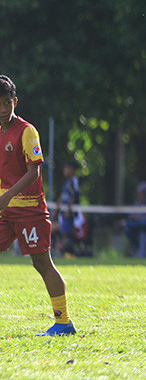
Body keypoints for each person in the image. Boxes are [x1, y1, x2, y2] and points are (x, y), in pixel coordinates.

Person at [0, 75, 77, 335]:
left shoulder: (26, 131)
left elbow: (34, 171)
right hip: (5, 209)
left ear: (15, 102)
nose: (2, 108)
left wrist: (7, 195)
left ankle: (63, 322)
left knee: (42, 264)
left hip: (30, 210)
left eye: (6, 102)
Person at [53, 161, 82, 256]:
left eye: (66, 169)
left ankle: (64, 251)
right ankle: (59, 250)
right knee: (56, 230)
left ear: (71, 170)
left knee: (64, 232)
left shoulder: (74, 181)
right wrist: (56, 210)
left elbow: (74, 196)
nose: (64, 171)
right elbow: (62, 197)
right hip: (63, 213)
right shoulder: (66, 183)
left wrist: (68, 210)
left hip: (69, 215)